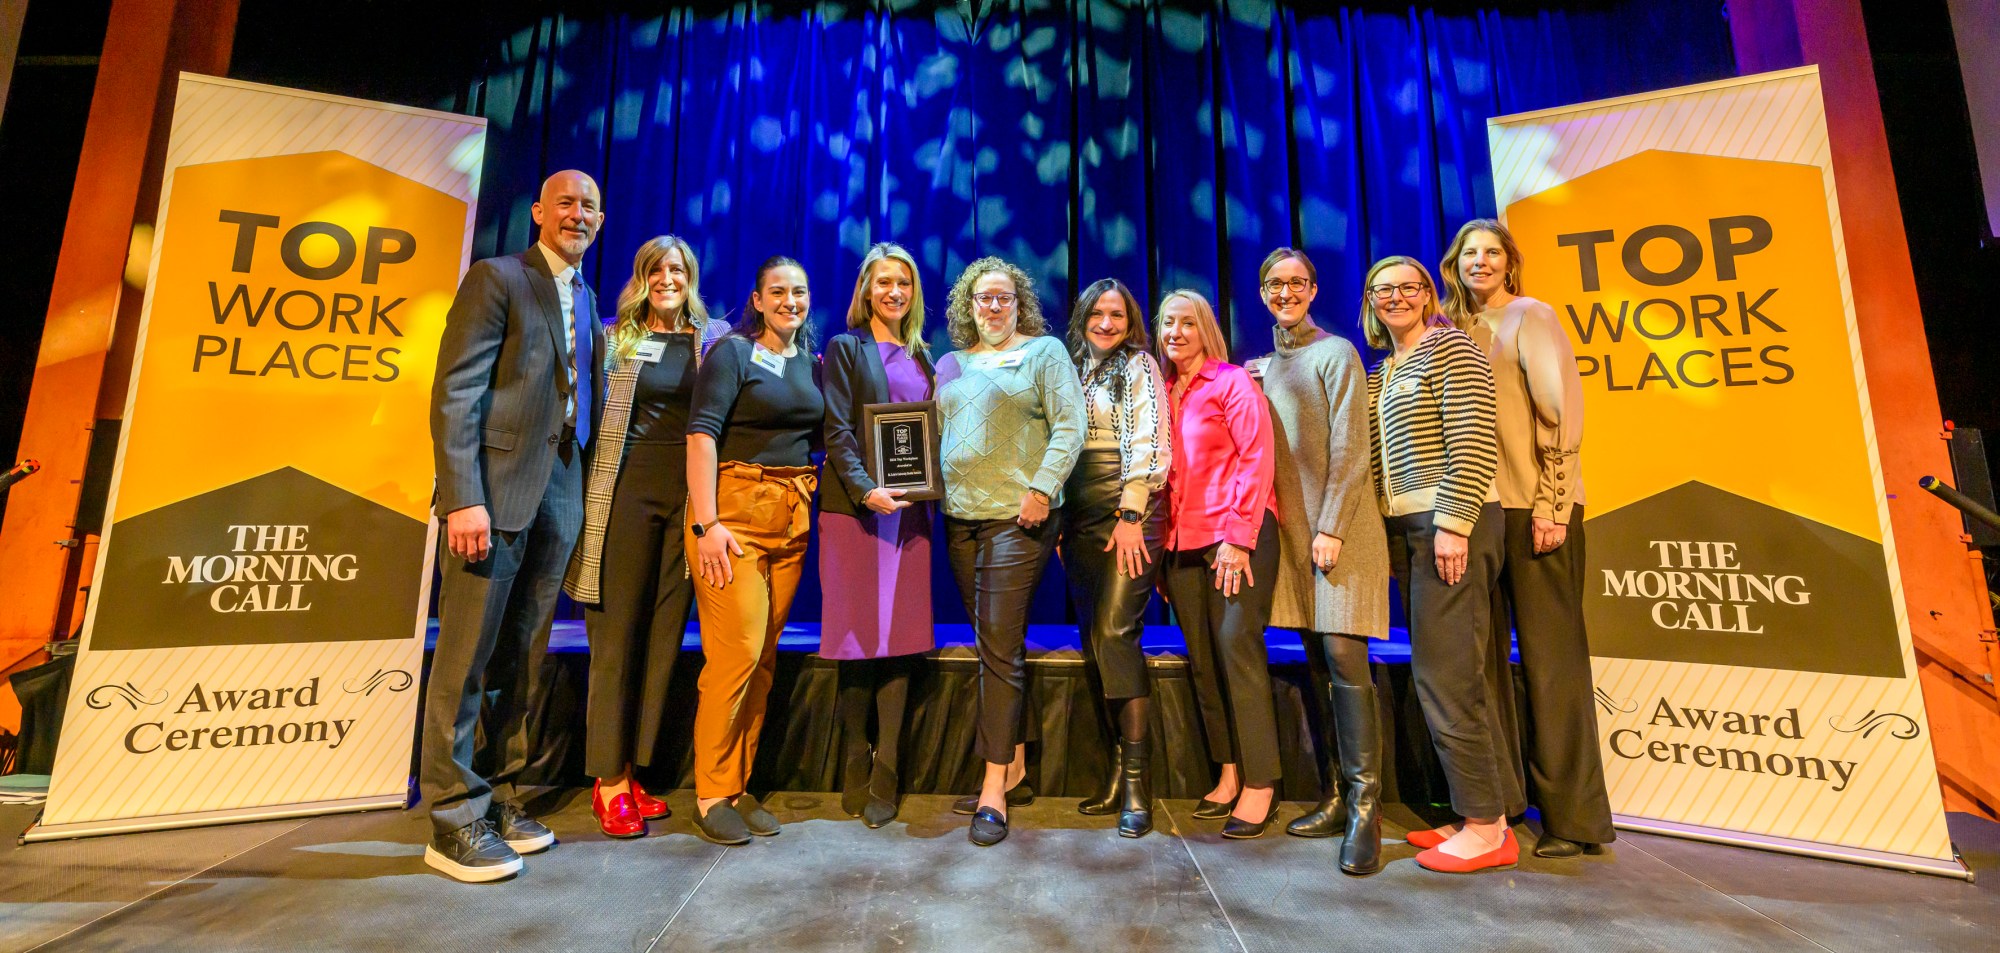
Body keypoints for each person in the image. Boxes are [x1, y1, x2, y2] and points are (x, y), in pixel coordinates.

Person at [423, 170, 604, 882]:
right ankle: (452, 819)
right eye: (565, 202)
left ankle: (497, 797)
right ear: (538, 211)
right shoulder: (497, 278)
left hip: (559, 488)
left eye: (590, 205)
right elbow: (457, 389)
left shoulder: (587, 296)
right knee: (466, 657)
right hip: (492, 495)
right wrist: (462, 495)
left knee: (522, 657)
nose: (578, 214)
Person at [1441, 219, 1615, 859]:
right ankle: (1501, 804)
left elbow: (1561, 411)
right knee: (1481, 665)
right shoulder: (1453, 333)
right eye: (1468, 253)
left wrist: (1554, 504)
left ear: (1510, 264)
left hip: (1538, 510)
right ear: (1454, 264)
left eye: (1491, 253)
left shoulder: (1531, 317)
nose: (1479, 262)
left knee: (1552, 665)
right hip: (1478, 514)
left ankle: (1574, 820)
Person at [563, 235, 727, 839]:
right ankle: (607, 782)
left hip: (683, 505)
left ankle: (632, 773)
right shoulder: (612, 339)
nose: (667, 277)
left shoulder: (710, 343)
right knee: (617, 639)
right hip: (623, 499)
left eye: (678, 269)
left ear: (691, 277)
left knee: (661, 642)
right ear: (642, 276)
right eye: (656, 269)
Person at [1362, 255, 1517, 873]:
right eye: (1382, 289)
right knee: (1447, 670)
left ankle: (1487, 829)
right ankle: (1482, 808)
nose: (1394, 297)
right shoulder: (1384, 369)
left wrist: (1453, 525)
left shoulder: (1451, 349)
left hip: (1451, 524)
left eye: (1407, 287)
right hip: (1410, 529)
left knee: (1445, 674)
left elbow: (1476, 439)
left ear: (1429, 293)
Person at [935, 256, 1086, 846]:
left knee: (997, 646)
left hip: (1017, 520)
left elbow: (1069, 426)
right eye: (981, 299)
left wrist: (1041, 490)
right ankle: (1014, 757)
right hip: (958, 519)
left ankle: (993, 788)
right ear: (967, 307)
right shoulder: (951, 363)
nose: (992, 308)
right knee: (991, 644)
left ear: (1019, 302)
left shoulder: (1045, 353)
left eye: (1003, 298)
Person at [1254, 248, 1391, 875]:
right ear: (1262, 293)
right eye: (1275, 284)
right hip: (1295, 536)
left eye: (1296, 283)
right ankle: (1336, 795)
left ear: (1314, 289)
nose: (1286, 293)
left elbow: (1351, 448)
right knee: (1315, 656)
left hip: (1341, 531)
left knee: (1343, 656)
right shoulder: (1268, 366)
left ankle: (1367, 809)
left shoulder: (1337, 354)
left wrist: (1332, 526)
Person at [683, 256, 825, 846]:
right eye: (778, 292)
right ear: (758, 299)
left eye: (799, 290)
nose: (790, 300)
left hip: (790, 517)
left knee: (763, 658)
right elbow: (701, 435)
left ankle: (738, 786)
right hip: (731, 518)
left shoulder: (811, 365)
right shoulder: (733, 353)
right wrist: (706, 523)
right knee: (735, 654)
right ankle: (711, 792)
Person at [1156, 289, 1284, 840]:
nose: (1176, 332)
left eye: (1187, 323)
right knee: (1204, 661)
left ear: (1205, 328)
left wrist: (1238, 537)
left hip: (1236, 537)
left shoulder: (1231, 382)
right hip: (1181, 545)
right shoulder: (1162, 391)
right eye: (1167, 323)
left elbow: (1258, 458)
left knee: (1237, 652)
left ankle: (1262, 783)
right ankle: (1228, 773)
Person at [819, 242, 937, 829]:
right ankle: (852, 757)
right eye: (884, 282)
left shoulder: (925, 357)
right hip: (855, 511)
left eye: (905, 284)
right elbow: (837, 430)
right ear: (866, 288)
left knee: (902, 636)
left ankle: (887, 764)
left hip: (910, 515)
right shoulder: (845, 348)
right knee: (855, 636)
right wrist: (867, 488)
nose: (895, 292)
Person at [1059, 278, 1171, 838]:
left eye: (1118, 315)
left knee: (1114, 633)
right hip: (1078, 510)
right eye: (1098, 314)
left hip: (1129, 505)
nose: (1107, 323)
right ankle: (1112, 776)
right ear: (1082, 317)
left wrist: (1131, 515)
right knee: (1093, 642)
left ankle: (1136, 786)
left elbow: (1148, 438)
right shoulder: (1072, 367)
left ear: (1130, 323)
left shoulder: (1139, 365)